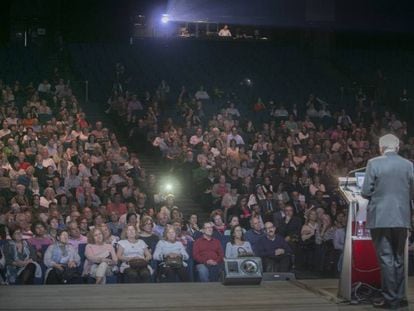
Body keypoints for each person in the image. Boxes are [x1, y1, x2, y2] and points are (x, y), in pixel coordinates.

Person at [361, 133, 414, 309]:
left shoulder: (374, 163)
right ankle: (399, 297)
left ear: (381, 148)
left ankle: (390, 299)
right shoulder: (408, 165)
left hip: (381, 217)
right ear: (397, 147)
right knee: (399, 258)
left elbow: (366, 192)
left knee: (386, 258)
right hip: (401, 217)